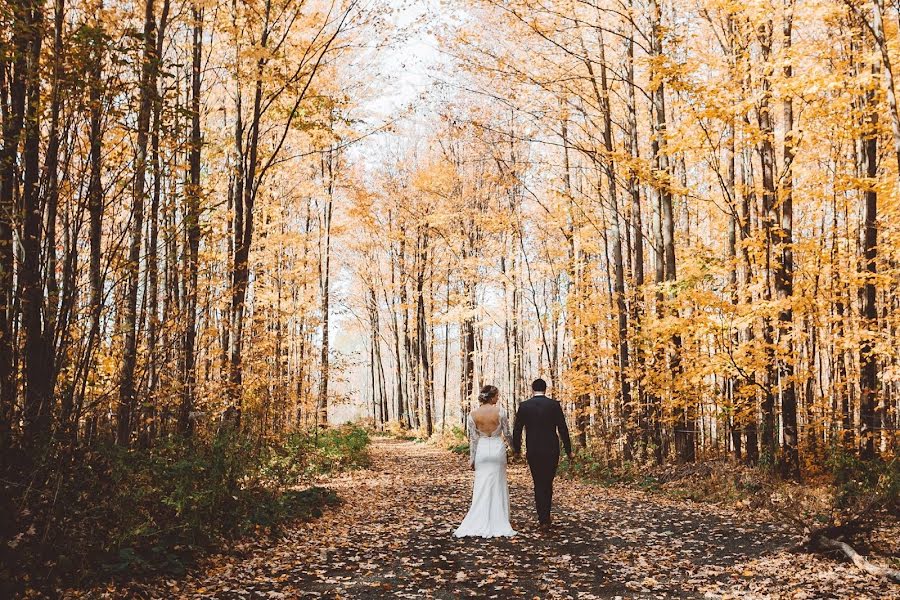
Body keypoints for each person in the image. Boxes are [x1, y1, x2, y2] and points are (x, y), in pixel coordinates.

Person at [453, 384, 517, 538]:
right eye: (497, 395)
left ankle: (478, 518)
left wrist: (472, 459)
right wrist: (514, 448)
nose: (498, 398)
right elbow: (507, 433)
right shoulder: (500, 412)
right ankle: (500, 519)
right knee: (498, 483)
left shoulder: (473, 414)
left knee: (481, 486)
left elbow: (473, 440)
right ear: (492, 396)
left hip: (482, 450)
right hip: (497, 449)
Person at [512, 378, 572, 528]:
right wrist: (568, 450)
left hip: (533, 449)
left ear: (532, 389)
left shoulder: (524, 406)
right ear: (545, 389)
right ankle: (546, 515)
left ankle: (542, 517)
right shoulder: (554, 405)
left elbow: (517, 429)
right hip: (551, 449)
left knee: (538, 483)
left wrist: (517, 450)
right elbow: (563, 428)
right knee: (548, 482)